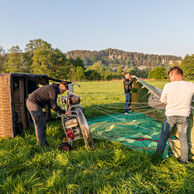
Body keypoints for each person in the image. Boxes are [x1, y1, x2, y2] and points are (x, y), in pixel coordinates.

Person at [156, 66, 194, 164]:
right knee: (183, 139)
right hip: (184, 116)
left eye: (170, 77)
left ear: (174, 75)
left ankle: (157, 158)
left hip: (170, 116)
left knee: (163, 137)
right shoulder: (191, 85)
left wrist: (165, 101)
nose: (170, 79)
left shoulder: (168, 86)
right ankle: (184, 161)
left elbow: (163, 100)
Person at [26, 82, 70, 146]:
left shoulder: (52, 88)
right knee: (40, 124)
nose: (62, 93)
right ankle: (42, 145)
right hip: (33, 103)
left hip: (33, 103)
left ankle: (43, 142)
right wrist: (64, 112)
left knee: (41, 123)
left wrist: (61, 111)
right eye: (63, 90)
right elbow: (54, 106)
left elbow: (51, 104)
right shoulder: (53, 90)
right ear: (61, 86)